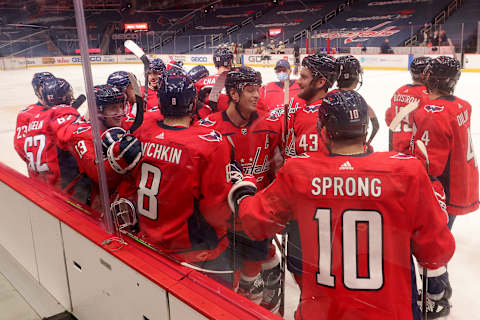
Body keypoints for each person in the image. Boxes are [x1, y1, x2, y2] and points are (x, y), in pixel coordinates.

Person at [230, 90, 456, 320]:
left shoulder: (299, 171)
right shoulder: (406, 171)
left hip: (324, 311)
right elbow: (436, 250)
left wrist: (244, 192)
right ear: (365, 131)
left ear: (324, 132)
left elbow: (256, 223)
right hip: (392, 311)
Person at [107, 72, 235, 285]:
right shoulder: (209, 144)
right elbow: (217, 212)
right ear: (193, 102)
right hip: (196, 253)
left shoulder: (143, 131)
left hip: (149, 242)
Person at [196, 66, 283, 311]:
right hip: (220, 221)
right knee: (227, 283)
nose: (257, 96)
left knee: (250, 281)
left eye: (258, 90)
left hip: (256, 217)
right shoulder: (208, 128)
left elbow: (279, 170)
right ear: (233, 94)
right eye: (250, 90)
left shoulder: (270, 126)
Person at [410, 56, 479, 318]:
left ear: (434, 79)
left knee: (428, 243)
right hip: (462, 184)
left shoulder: (430, 113)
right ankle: (442, 288)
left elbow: (431, 166)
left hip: (442, 189)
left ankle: (436, 298)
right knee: (438, 238)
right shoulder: (463, 105)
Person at [65, 85, 126, 212]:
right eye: (113, 108)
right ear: (98, 110)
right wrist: (124, 156)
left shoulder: (119, 123)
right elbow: (99, 174)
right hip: (100, 206)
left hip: (122, 199)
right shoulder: (83, 135)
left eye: (121, 106)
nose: (120, 112)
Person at [14, 77, 80, 188]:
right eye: (68, 93)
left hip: (41, 182)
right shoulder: (63, 114)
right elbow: (76, 137)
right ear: (63, 96)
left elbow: (20, 147)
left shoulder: (36, 118)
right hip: (63, 186)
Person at [286, 54, 339, 156]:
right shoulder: (330, 107)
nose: (298, 81)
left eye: (304, 77)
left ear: (320, 82)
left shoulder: (313, 117)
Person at [385, 56, 430, 153]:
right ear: (423, 75)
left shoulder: (399, 91)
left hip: (396, 145)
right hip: (414, 147)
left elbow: (389, 119)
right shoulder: (426, 95)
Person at [336, 55, 379, 147]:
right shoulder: (359, 101)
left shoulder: (327, 98)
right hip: (355, 151)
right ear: (356, 76)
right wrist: (367, 144)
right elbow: (376, 126)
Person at [194, 47, 233, 117]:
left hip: (206, 123)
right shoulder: (236, 82)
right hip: (229, 122)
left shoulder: (202, 82)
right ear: (230, 62)